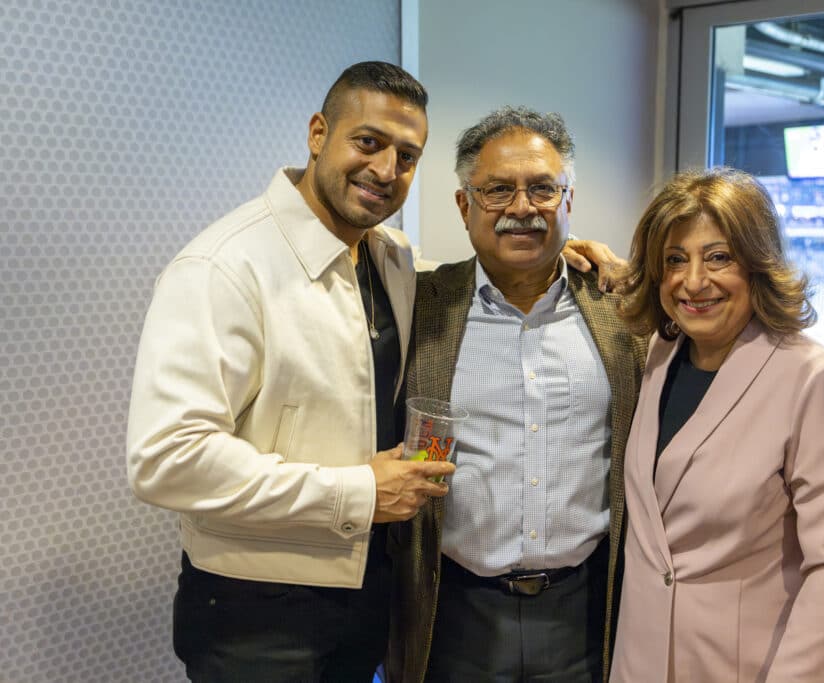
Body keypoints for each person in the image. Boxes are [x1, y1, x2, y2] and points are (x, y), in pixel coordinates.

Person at [125, 61, 456, 681]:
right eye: (368, 142)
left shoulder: (390, 256)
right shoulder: (223, 267)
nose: (386, 171)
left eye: (407, 156)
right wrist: (357, 491)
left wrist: (551, 260)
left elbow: (457, 286)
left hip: (365, 595)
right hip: (256, 615)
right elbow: (164, 458)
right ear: (316, 133)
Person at [386, 106, 646, 683]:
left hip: (586, 610)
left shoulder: (622, 312)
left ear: (568, 201)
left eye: (543, 189)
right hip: (452, 613)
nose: (522, 208)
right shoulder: (420, 305)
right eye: (498, 190)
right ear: (464, 205)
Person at [611, 168, 824, 682]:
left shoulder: (815, 381)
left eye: (718, 257)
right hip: (639, 663)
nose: (693, 281)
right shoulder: (659, 354)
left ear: (758, 264)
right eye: (675, 260)